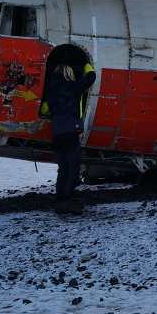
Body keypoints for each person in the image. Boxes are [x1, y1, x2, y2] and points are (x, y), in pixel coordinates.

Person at [40, 62, 96, 214]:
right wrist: (86, 64)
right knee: (73, 168)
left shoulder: (51, 91)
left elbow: (45, 108)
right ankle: (66, 199)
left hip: (57, 134)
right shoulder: (73, 88)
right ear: (68, 74)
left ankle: (60, 199)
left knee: (63, 168)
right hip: (71, 132)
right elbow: (91, 77)